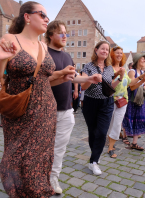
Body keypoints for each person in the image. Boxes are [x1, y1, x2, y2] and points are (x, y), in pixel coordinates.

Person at [0, 2, 76, 197]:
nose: (46, 19)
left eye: (46, 16)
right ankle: (17, 192)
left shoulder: (43, 45)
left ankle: (37, 192)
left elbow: (42, 79)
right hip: (21, 109)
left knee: (39, 157)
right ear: (27, 17)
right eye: (42, 15)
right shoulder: (10, 38)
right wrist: (1, 59)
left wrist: (61, 75)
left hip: (46, 109)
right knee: (16, 156)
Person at [45, 20, 102, 194]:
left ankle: (53, 178)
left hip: (66, 109)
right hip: (45, 109)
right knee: (42, 146)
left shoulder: (67, 56)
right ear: (50, 35)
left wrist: (88, 79)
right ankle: (38, 176)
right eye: (60, 33)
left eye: (66, 33)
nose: (64, 36)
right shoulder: (43, 53)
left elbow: (73, 78)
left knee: (60, 148)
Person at [81, 41, 125, 175]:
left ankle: (94, 161)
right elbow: (83, 86)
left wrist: (120, 78)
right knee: (93, 132)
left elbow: (110, 86)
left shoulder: (110, 68)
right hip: (90, 103)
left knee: (101, 132)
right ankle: (95, 156)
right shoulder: (88, 66)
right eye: (102, 49)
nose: (105, 51)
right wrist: (91, 79)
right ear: (96, 50)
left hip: (106, 103)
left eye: (107, 50)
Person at [107, 47, 145, 158]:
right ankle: (108, 141)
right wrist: (118, 76)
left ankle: (111, 146)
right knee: (110, 123)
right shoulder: (109, 68)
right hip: (111, 100)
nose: (119, 55)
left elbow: (130, 83)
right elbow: (108, 84)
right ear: (112, 54)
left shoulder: (123, 68)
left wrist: (141, 78)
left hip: (123, 101)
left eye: (121, 53)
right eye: (117, 53)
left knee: (117, 124)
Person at [122, 54, 145, 151]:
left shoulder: (141, 72)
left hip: (139, 99)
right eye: (142, 59)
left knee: (138, 120)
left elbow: (140, 88)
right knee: (128, 118)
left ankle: (134, 143)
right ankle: (124, 136)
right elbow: (132, 86)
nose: (144, 61)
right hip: (132, 99)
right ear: (137, 61)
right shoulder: (132, 72)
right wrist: (142, 80)